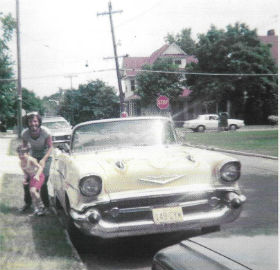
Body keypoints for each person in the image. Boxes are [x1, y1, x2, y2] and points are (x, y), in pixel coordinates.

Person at [20, 112, 53, 212]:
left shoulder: (46, 132)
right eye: (30, 121)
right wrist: (26, 159)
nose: (33, 123)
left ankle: (46, 206)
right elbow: (25, 147)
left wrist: (43, 160)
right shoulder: (25, 133)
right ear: (28, 123)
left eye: (35, 121)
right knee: (28, 180)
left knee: (43, 180)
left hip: (45, 155)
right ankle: (28, 203)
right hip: (33, 155)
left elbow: (50, 147)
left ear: (39, 122)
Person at [17, 144, 46, 216]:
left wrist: (37, 175)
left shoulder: (31, 160)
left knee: (33, 190)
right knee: (32, 194)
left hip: (39, 176)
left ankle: (42, 206)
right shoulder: (21, 163)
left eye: (23, 154)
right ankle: (36, 210)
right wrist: (24, 179)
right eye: (19, 154)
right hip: (32, 178)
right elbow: (26, 174)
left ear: (28, 153)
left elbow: (40, 168)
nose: (21, 156)